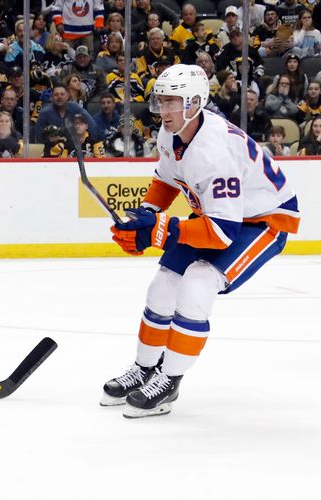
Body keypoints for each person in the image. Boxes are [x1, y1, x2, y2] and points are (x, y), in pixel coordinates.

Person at [103, 64, 300, 418]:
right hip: (219, 215)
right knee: (163, 284)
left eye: (172, 103)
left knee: (197, 284)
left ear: (194, 103)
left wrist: (158, 230)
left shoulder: (214, 152)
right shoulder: (171, 132)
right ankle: (144, 368)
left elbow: (223, 232)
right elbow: (166, 181)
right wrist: (142, 218)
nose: (164, 111)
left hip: (262, 220)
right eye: (161, 101)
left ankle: (170, 380)